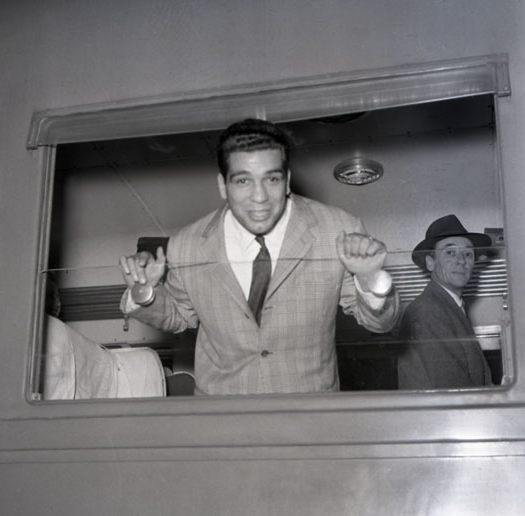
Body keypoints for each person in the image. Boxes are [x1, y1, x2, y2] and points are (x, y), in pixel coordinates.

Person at [119, 118, 399, 395]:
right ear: (222, 185)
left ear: (287, 181)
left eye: (272, 179)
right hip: (223, 413)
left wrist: (369, 278)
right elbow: (179, 317)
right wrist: (145, 292)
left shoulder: (337, 230)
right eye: (243, 180)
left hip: (309, 411)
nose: (260, 197)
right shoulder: (186, 245)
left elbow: (381, 324)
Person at [397, 214, 493, 389]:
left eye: (468, 254)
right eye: (450, 252)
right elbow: (453, 388)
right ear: (430, 262)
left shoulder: (449, 305)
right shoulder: (428, 310)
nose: (461, 261)